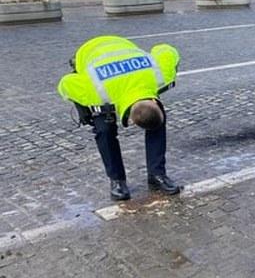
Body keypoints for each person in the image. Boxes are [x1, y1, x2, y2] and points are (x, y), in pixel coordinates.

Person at [58, 35, 181, 201]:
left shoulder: (160, 76)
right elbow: (66, 82)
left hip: (122, 47)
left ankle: (157, 175)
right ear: (130, 120)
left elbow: (165, 51)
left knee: (156, 119)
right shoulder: (97, 92)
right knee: (104, 128)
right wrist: (84, 104)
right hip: (88, 53)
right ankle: (117, 181)